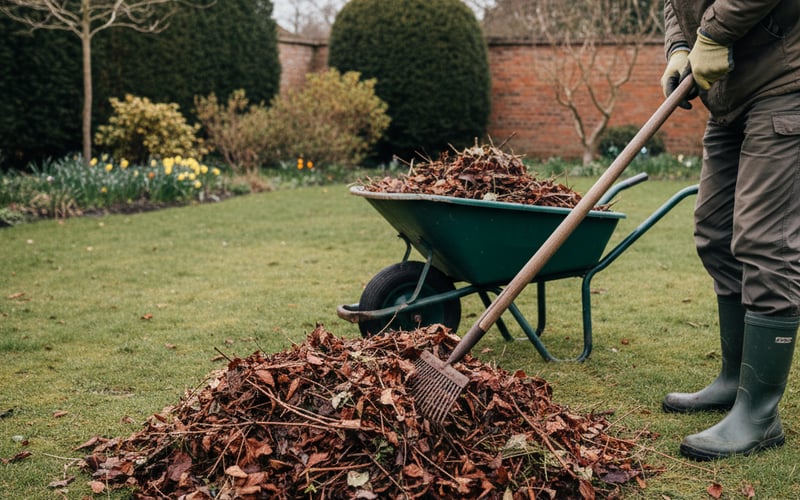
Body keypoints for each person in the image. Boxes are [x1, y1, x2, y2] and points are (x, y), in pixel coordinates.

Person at [659, 0, 800, 460]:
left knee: (765, 239)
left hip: (784, 80)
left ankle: (759, 415)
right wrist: (679, 47)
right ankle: (734, 381)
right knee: (715, 232)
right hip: (726, 95)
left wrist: (713, 33)